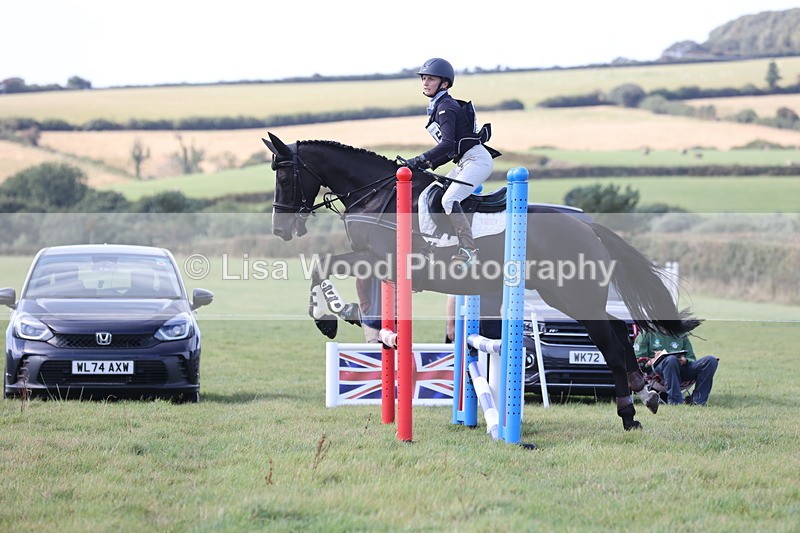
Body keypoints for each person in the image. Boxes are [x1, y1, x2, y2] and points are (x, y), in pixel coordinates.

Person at [405, 58, 498, 267]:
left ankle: (469, 249)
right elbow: (450, 150)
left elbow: (447, 145)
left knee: (448, 200)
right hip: (466, 161)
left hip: (477, 161)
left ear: (444, 84)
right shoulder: (439, 105)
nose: (425, 83)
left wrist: (420, 159)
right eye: (424, 79)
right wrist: (424, 164)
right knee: (430, 193)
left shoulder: (445, 107)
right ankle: (435, 242)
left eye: (430, 79)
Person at [634, 329, 719, 406]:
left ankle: (698, 401)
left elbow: (692, 359)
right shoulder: (646, 334)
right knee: (671, 360)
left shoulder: (681, 334)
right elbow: (640, 365)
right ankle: (675, 401)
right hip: (657, 373)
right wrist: (654, 359)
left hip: (682, 369)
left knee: (711, 360)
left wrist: (685, 360)